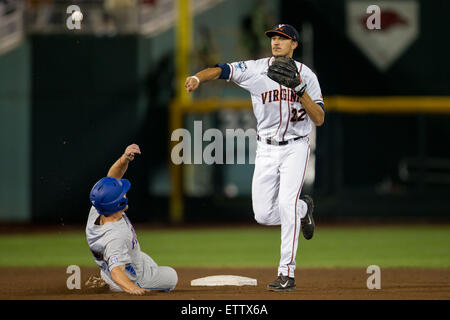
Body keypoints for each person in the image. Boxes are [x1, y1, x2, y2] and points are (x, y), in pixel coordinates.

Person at [185, 24, 324, 291]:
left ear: (294, 44)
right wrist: (198, 78)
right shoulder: (256, 69)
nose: (276, 42)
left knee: (285, 203)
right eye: (273, 37)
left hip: (296, 146)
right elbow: (221, 69)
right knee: (263, 214)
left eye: (282, 38)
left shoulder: (307, 76)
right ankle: (303, 208)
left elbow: (318, 118)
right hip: (267, 149)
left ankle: (287, 273)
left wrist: (299, 90)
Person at [85, 144, 178, 295]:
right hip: (131, 277)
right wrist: (134, 288)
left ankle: (105, 278)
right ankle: (111, 284)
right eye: (122, 194)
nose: (125, 194)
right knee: (172, 276)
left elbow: (112, 179)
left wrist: (124, 160)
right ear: (117, 203)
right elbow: (116, 270)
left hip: (122, 259)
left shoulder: (99, 208)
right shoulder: (116, 235)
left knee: (142, 257)